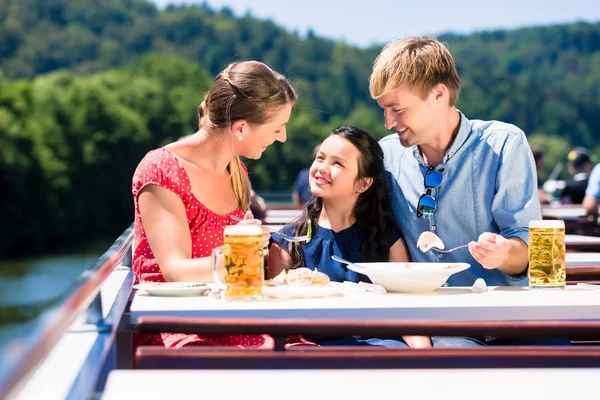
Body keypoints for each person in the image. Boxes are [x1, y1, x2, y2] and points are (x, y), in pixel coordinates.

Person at [369, 36, 569, 347]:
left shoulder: (504, 144)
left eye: (396, 109)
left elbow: (530, 248)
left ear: (438, 94)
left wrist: (504, 253)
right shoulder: (387, 156)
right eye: (384, 109)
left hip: (513, 324)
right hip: (440, 330)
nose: (387, 122)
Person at [131, 60, 296, 349]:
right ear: (241, 128)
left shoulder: (237, 173)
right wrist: (241, 253)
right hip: (176, 324)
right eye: (278, 127)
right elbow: (175, 272)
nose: (282, 137)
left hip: (228, 313)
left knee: (307, 355)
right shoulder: (161, 169)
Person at [268, 125, 430, 348]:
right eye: (320, 158)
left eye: (337, 163)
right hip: (312, 352)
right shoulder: (288, 242)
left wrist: (424, 354)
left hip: (380, 349)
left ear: (363, 183)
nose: (322, 168)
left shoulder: (386, 240)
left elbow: (404, 312)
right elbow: (279, 323)